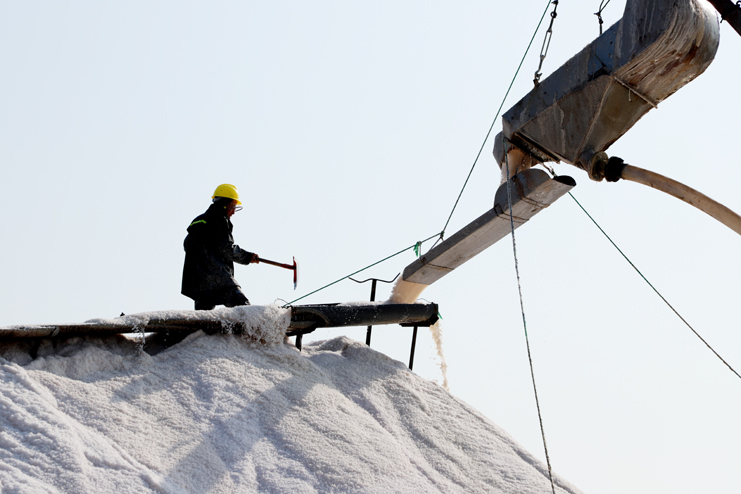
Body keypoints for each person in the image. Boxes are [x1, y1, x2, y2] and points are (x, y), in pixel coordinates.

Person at [181, 184, 259, 310]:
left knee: (204, 319)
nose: (233, 212)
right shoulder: (219, 219)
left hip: (197, 282)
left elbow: (187, 245)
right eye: (232, 206)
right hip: (218, 278)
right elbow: (227, 249)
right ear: (224, 204)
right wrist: (248, 257)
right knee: (244, 309)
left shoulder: (198, 221)